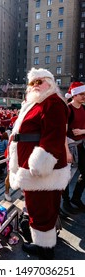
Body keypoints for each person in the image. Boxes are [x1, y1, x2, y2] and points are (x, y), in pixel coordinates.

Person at [8, 67, 70, 259]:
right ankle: (43, 245)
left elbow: (54, 136)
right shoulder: (35, 103)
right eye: (32, 82)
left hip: (42, 171)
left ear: (50, 83)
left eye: (39, 81)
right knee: (37, 208)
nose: (35, 85)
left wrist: (40, 164)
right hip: (31, 168)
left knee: (42, 210)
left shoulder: (53, 102)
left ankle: (45, 252)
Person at [62, 81, 85, 212]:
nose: (84, 96)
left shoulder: (84, 108)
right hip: (69, 147)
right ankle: (65, 202)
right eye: (81, 94)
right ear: (74, 95)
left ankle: (76, 198)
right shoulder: (68, 109)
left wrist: (82, 132)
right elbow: (62, 133)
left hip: (81, 146)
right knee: (66, 177)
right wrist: (66, 152)